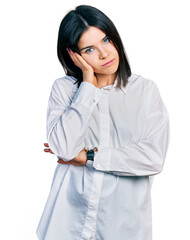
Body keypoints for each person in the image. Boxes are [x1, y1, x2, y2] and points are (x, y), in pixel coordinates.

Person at [36, 5, 170, 240]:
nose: (104, 54)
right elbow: (64, 148)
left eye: (106, 40)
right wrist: (87, 86)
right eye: (89, 49)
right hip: (67, 223)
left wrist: (88, 157)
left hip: (123, 227)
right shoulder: (65, 89)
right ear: (73, 55)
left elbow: (153, 158)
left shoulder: (145, 91)